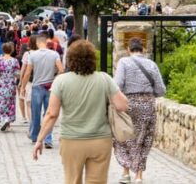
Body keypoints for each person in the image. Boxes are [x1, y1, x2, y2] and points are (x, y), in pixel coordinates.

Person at [32, 40, 130, 184]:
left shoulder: (61, 81)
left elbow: (52, 114)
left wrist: (40, 139)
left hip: (72, 140)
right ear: (92, 59)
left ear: (70, 59)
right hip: (100, 140)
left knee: (72, 180)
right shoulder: (104, 79)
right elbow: (122, 105)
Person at [113, 38, 167, 184]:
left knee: (124, 137)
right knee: (144, 139)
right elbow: (161, 90)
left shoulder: (124, 62)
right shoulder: (151, 64)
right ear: (142, 49)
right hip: (148, 104)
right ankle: (139, 176)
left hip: (128, 104)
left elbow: (117, 85)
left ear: (129, 50)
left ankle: (125, 173)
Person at [20, 31, 63, 149]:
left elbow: (28, 72)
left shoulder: (32, 55)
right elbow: (61, 69)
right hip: (50, 86)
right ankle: (48, 139)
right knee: (49, 113)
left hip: (37, 86)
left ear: (38, 43)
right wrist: (55, 80)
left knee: (36, 113)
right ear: (46, 42)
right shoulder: (54, 54)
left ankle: (35, 136)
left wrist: (23, 87)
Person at [0, 41, 21, 131]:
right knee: (10, 103)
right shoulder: (15, 61)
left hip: (1, 84)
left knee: (1, 101)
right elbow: (17, 74)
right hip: (11, 84)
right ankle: (8, 120)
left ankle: (2, 118)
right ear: (11, 50)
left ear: (3, 50)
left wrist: (1, 72)